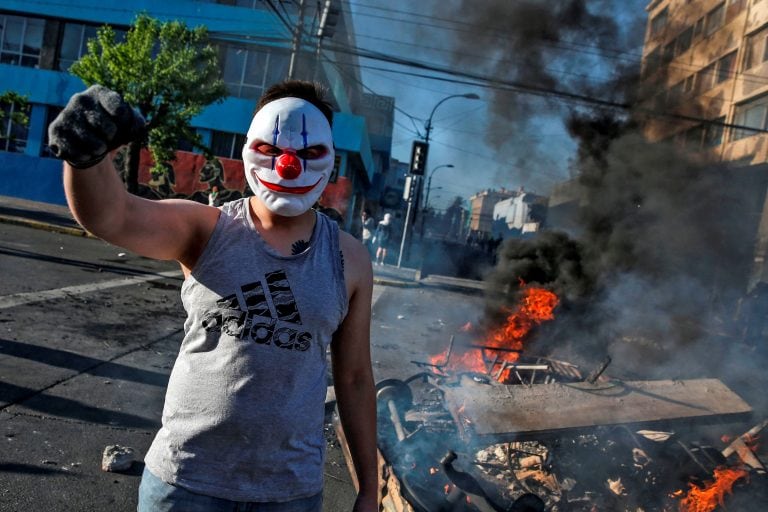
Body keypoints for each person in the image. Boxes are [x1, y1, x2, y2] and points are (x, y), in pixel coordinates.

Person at [48, 81, 378, 511]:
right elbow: (114, 216)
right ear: (248, 148)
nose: (289, 167)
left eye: (309, 153)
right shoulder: (206, 229)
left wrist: (369, 491)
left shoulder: (349, 258)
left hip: (289, 494)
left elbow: (354, 379)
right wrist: (85, 157)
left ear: (330, 158)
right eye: (271, 150)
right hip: (186, 483)